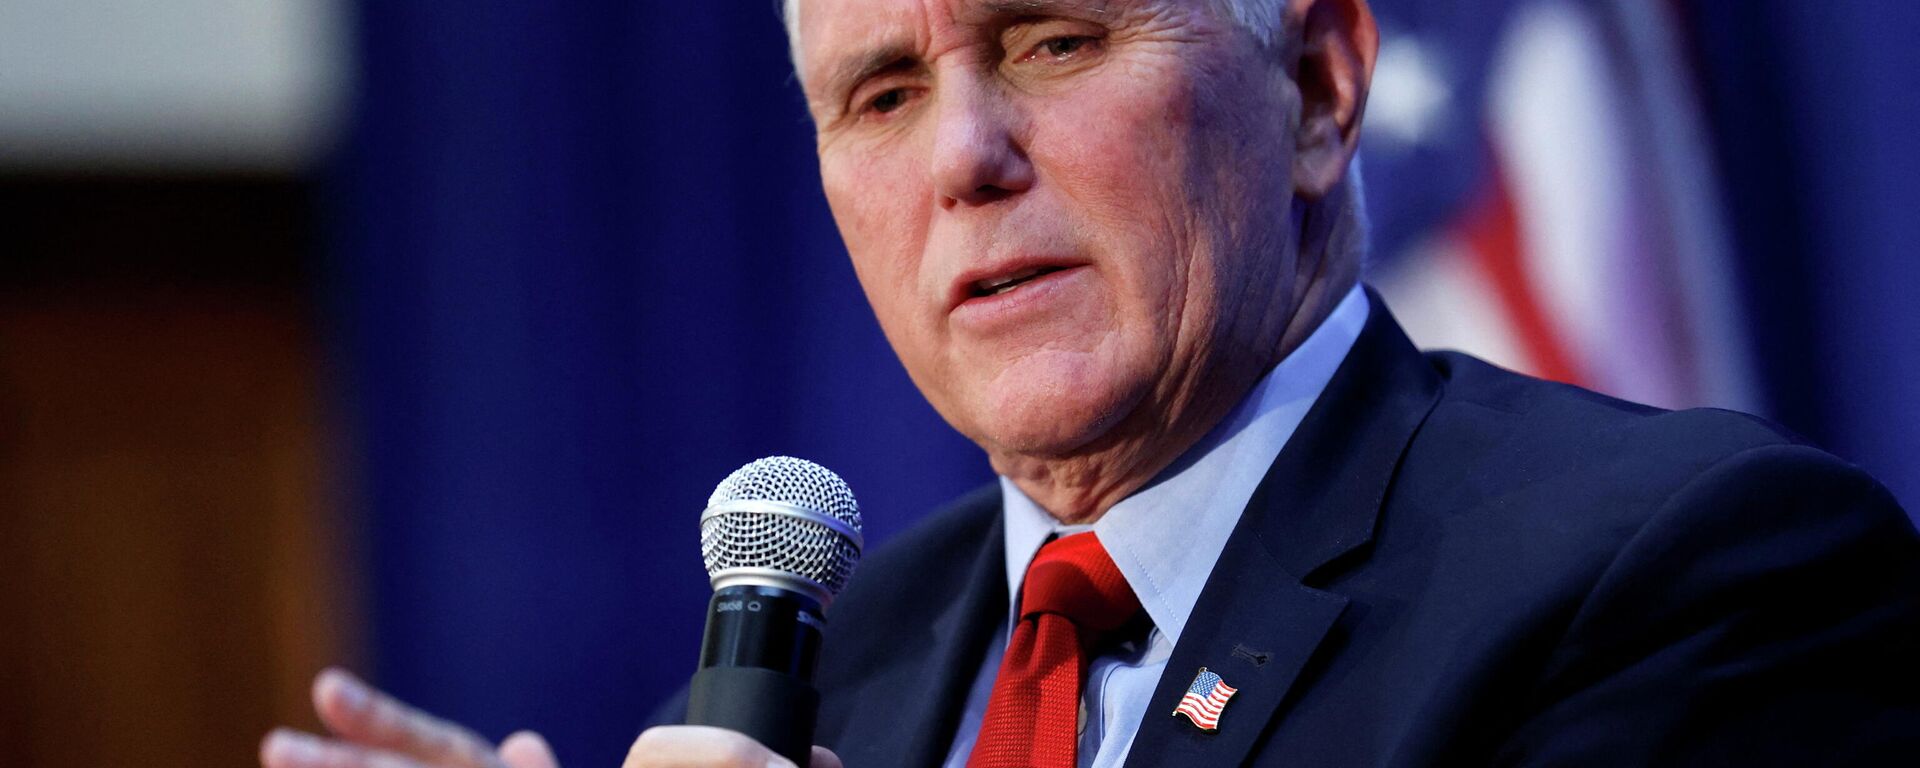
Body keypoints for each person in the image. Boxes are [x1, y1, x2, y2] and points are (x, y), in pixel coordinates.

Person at [260, 0, 1920, 766]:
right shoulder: (815, 685)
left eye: (1053, 42)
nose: (966, 157)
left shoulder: (1690, 581)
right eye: (882, 95)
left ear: (1326, 87)